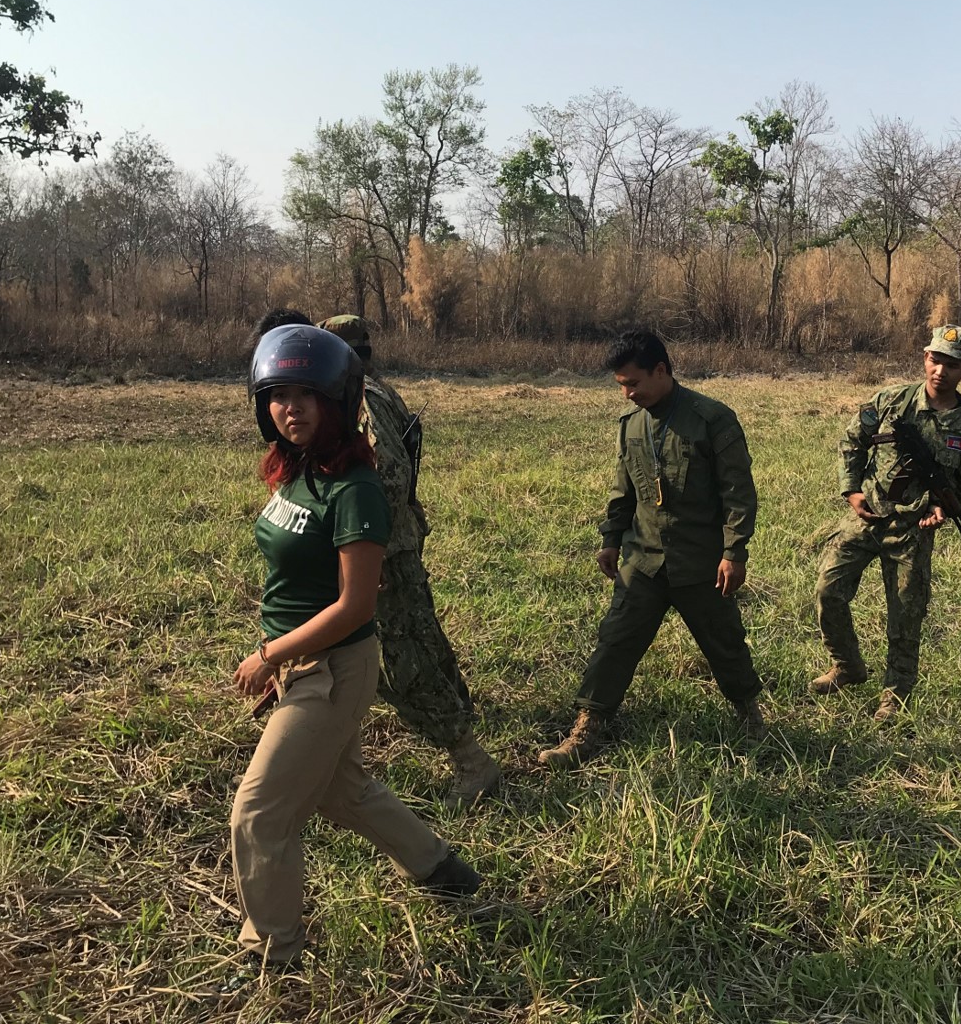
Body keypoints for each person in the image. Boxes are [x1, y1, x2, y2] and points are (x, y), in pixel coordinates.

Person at [229, 324, 481, 974]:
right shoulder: (298, 469)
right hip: (301, 662)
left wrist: (271, 654)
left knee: (259, 812)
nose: (292, 407)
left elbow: (354, 606)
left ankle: (272, 950)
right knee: (343, 793)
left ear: (339, 400)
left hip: (333, 668)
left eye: (308, 394)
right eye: (279, 394)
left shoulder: (356, 486)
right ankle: (440, 866)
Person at [539, 329, 767, 770]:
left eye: (633, 383)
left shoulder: (712, 419)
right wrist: (610, 539)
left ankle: (750, 716)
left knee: (725, 642)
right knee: (615, 640)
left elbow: (739, 492)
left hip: (701, 562)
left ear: (661, 370)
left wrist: (734, 552)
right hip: (643, 558)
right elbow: (623, 489)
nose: (627, 394)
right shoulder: (632, 426)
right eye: (621, 385)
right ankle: (588, 726)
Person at [314, 314, 501, 809]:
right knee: (421, 635)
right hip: (394, 544)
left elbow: (391, 476)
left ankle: (470, 759)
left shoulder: (363, 400)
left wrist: (362, 542)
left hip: (383, 551)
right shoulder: (375, 388)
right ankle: (460, 711)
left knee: (400, 661)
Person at [811, 324, 961, 721]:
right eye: (935, 359)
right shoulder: (892, 401)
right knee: (828, 590)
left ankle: (896, 696)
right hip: (868, 515)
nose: (941, 370)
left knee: (906, 618)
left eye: (953, 364)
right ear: (925, 358)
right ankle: (847, 666)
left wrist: (945, 510)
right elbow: (852, 438)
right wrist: (851, 490)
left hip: (912, 532)